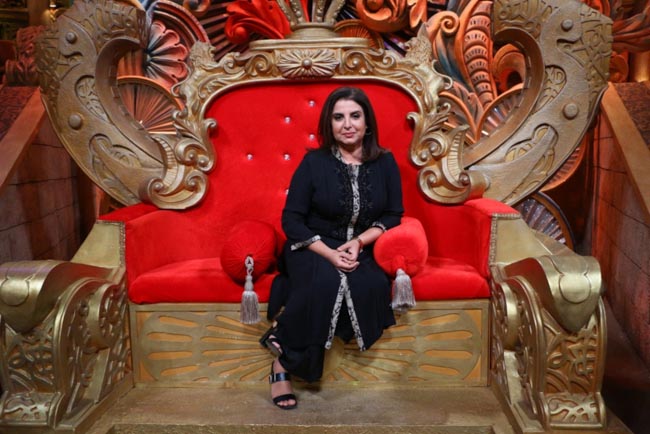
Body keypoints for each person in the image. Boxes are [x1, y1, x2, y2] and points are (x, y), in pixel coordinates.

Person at [260, 86, 404, 409]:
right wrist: (328, 253)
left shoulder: (385, 163)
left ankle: (282, 341)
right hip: (310, 245)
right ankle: (282, 365)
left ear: (367, 122)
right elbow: (292, 220)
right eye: (339, 117)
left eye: (355, 116)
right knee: (325, 282)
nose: (347, 124)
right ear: (329, 123)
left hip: (359, 247)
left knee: (370, 284)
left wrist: (358, 242)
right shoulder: (314, 162)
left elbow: (393, 214)